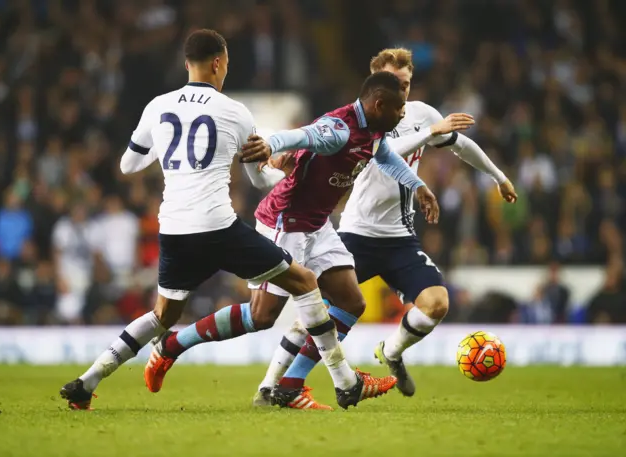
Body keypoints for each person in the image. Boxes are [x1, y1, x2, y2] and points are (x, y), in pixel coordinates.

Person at [59, 29, 385, 411]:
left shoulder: (158, 106)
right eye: (226, 63)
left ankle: (87, 380)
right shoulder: (235, 112)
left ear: (186, 64)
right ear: (218, 63)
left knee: (162, 315)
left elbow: (128, 165)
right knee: (304, 281)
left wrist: (168, 157)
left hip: (174, 229)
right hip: (218, 228)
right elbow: (258, 179)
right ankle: (344, 380)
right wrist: (282, 169)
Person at [145, 68, 464, 410]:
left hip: (318, 225)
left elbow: (385, 155)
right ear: (379, 104)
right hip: (286, 222)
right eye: (399, 108)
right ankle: (174, 344)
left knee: (351, 301)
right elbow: (301, 135)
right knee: (261, 316)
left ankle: (289, 386)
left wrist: (418, 187)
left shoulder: (373, 130)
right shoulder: (339, 130)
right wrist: (270, 145)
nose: (403, 114)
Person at [252, 48, 517, 408]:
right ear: (376, 86)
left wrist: (498, 177)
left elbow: (458, 143)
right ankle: (274, 384)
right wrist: (428, 135)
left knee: (437, 304)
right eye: (394, 84)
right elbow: (384, 149)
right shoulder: (360, 120)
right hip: (356, 233)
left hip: (399, 238)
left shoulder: (419, 114)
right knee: (316, 312)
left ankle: (391, 352)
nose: (402, 93)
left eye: (406, 84)